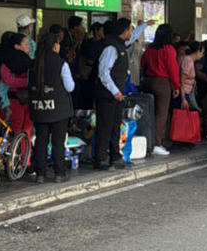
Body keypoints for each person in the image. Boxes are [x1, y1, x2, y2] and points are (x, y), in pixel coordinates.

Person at [94, 18, 152, 170]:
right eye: (130, 29)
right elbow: (103, 73)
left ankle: (115, 157)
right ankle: (100, 159)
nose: (132, 32)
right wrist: (115, 91)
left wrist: (144, 25)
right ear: (124, 31)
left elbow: (133, 37)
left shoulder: (120, 44)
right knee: (105, 127)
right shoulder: (111, 48)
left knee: (115, 126)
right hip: (107, 95)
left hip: (117, 94)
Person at [30, 30, 74, 184]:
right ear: (55, 46)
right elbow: (70, 87)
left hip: (38, 108)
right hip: (58, 109)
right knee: (58, 142)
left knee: (40, 141)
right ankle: (59, 173)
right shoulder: (61, 63)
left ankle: (40, 174)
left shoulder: (33, 63)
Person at [140, 24, 179, 156]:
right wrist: (176, 86)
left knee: (149, 113)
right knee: (161, 114)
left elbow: (142, 64)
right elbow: (173, 69)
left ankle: (146, 140)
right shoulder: (169, 49)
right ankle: (156, 143)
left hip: (148, 81)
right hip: (162, 83)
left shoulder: (150, 48)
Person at [0, 33, 33, 139]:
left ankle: (20, 149)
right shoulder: (29, 63)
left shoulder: (6, 61)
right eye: (26, 44)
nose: (29, 47)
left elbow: (8, 80)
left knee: (17, 130)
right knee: (24, 130)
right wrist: (28, 82)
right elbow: (9, 80)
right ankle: (24, 149)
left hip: (17, 101)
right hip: (19, 101)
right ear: (17, 46)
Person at [77, 22, 106, 110]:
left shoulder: (105, 43)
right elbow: (81, 57)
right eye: (101, 30)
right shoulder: (87, 43)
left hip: (98, 72)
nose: (103, 32)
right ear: (96, 31)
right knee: (86, 95)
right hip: (88, 73)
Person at [179, 41, 203, 112]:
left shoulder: (189, 60)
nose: (202, 55)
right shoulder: (188, 61)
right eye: (202, 53)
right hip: (184, 93)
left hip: (186, 92)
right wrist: (183, 99)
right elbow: (181, 81)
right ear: (198, 52)